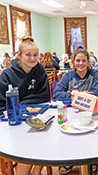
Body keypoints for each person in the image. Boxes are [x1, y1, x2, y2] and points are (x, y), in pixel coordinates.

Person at [0, 36, 50, 175]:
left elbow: (44, 96)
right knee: (29, 144)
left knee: (48, 135)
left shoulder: (40, 70)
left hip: (36, 115)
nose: (32, 58)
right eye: (28, 55)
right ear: (19, 55)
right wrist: (23, 104)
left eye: (35, 55)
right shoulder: (7, 75)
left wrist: (20, 102)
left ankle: (36, 171)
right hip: (12, 120)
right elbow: (4, 103)